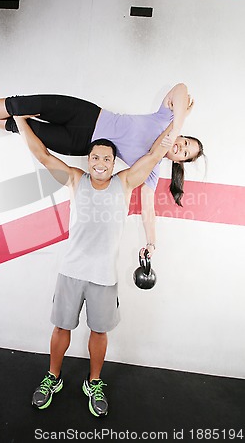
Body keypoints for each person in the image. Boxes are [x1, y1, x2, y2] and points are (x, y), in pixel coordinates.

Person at [12, 112, 173, 417]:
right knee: (62, 327)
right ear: (88, 160)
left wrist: (177, 121)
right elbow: (43, 156)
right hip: (71, 271)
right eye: (95, 157)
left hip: (103, 277)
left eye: (107, 158)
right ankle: (53, 378)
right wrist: (20, 121)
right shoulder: (75, 179)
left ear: (115, 163)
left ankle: (93, 383)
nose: (100, 163)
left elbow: (154, 154)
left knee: (99, 332)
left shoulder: (125, 182)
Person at [0, 84, 204, 258]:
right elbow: (180, 89)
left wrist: (152, 244)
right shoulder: (165, 119)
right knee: (21, 104)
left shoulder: (153, 168)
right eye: (186, 142)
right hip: (88, 114)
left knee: (23, 127)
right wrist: (177, 125)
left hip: (82, 143)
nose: (181, 145)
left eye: (185, 152)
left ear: (179, 162)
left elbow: (148, 211)